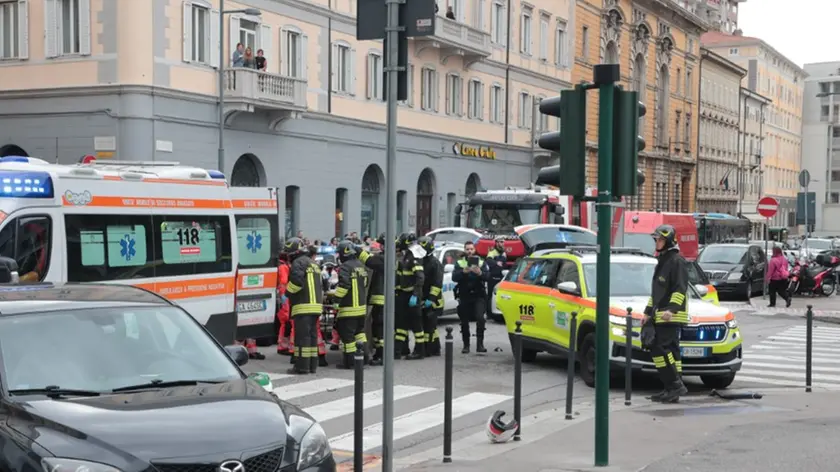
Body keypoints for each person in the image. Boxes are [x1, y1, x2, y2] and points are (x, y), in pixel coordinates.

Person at [643, 224, 690, 403]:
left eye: (660, 239)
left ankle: (675, 386)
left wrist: (671, 309)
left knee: (659, 349)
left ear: (669, 241)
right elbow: (657, 293)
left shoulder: (677, 261)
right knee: (670, 352)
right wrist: (648, 312)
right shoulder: (662, 260)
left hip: (670, 315)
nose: (657, 242)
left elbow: (680, 289)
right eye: (656, 239)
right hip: (660, 313)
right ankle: (670, 388)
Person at [285, 237, 324, 375]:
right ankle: (312, 365)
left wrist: (287, 292)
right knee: (312, 337)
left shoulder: (298, 263)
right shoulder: (313, 264)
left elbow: (296, 282)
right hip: (316, 306)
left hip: (303, 306)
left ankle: (301, 367)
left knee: (302, 338)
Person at [333, 240, 369, 369]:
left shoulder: (345, 267)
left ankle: (350, 363)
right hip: (361, 308)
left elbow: (344, 285)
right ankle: (364, 359)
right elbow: (364, 284)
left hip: (349, 309)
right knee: (360, 334)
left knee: (347, 337)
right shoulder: (361, 265)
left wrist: (336, 300)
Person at [452, 241, 489, 353]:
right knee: (464, 321)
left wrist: (480, 274)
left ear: (475, 250)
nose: (469, 251)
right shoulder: (459, 263)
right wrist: (463, 272)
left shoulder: (481, 262)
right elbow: (454, 277)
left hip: (478, 295)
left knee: (480, 318)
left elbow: (488, 277)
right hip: (464, 295)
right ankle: (466, 345)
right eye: (467, 249)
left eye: (471, 249)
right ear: (464, 250)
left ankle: (480, 344)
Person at [395, 233, 426, 359]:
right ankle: (398, 351)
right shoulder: (406, 255)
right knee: (401, 325)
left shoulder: (414, 256)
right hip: (404, 295)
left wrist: (415, 295)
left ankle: (420, 351)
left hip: (412, 295)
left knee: (416, 325)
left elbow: (420, 277)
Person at [359, 233, 386, 365]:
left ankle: (381, 355)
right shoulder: (392, 258)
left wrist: (358, 251)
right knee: (380, 328)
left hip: (381, 300)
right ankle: (382, 352)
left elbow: (369, 261)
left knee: (379, 328)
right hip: (385, 300)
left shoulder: (384, 259)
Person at [418, 236, 444, 356]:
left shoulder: (435, 263)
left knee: (429, 326)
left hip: (434, 301)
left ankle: (428, 349)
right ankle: (435, 348)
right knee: (430, 326)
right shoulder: (421, 261)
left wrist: (430, 299)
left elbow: (437, 284)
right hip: (425, 298)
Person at [485, 236, 507, 319]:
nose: (502, 244)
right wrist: (496, 263)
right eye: (500, 242)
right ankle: (489, 313)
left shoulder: (504, 253)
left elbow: (504, 264)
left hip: (501, 276)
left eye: (502, 242)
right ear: (496, 243)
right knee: (490, 295)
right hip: (492, 277)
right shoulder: (492, 252)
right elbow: (488, 260)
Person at [276, 250, 292, 355]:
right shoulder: (283, 267)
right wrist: (284, 296)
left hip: (282, 297)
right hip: (284, 297)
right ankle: (283, 346)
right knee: (286, 322)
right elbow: (284, 282)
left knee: (284, 323)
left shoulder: (280, 266)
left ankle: (282, 345)